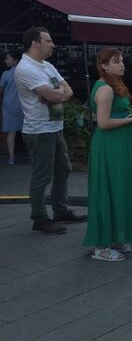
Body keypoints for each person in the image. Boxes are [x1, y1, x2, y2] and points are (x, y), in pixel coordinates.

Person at [14, 27, 86, 234]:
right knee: (42, 176)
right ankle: (39, 218)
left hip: (55, 127)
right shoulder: (26, 68)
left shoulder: (47, 66)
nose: (53, 45)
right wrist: (56, 94)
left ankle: (60, 211)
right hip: (39, 131)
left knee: (64, 170)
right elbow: (56, 96)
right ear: (35, 43)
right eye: (48, 41)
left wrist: (56, 94)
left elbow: (67, 91)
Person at [83, 48, 132, 262]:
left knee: (118, 189)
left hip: (118, 144)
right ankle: (101, 246)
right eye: (116, 61)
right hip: (109, 145)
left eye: (121, 61)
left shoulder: (112, 86)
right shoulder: (105, 89)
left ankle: (116, 237)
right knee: (108, 190)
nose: (122, 65)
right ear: (104, 65)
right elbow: (103, 122)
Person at [0, 50, 23, 164]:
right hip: (23, 105)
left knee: (11, 132)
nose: (6, 61)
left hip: (9, 106)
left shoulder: (6, 74)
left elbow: (1, 90)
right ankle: (31, 155)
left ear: (15, 60)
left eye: (8, 58)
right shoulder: (24, 73)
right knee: (27, 131)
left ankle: (11, 158)